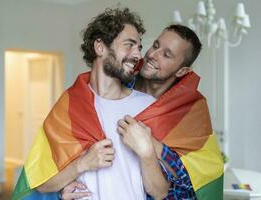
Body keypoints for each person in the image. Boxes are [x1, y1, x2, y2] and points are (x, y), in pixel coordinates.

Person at [12, 7, 169, 200]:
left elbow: (160, 192)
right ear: (100, 47)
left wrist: (146, 153)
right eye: (129, 44)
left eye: (139, 47)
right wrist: (82, 164)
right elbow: (41, 184)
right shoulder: (69, 106)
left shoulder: (148, 107)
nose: (138, 55)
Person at [61, 25, 224, 199]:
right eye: (155, 45)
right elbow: (70, 149)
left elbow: (189, 183)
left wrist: (152, 145)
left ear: (182, 71)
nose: (153, 55)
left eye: (166, 54)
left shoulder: (191, 109)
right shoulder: (115, 81)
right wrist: (66, 185)